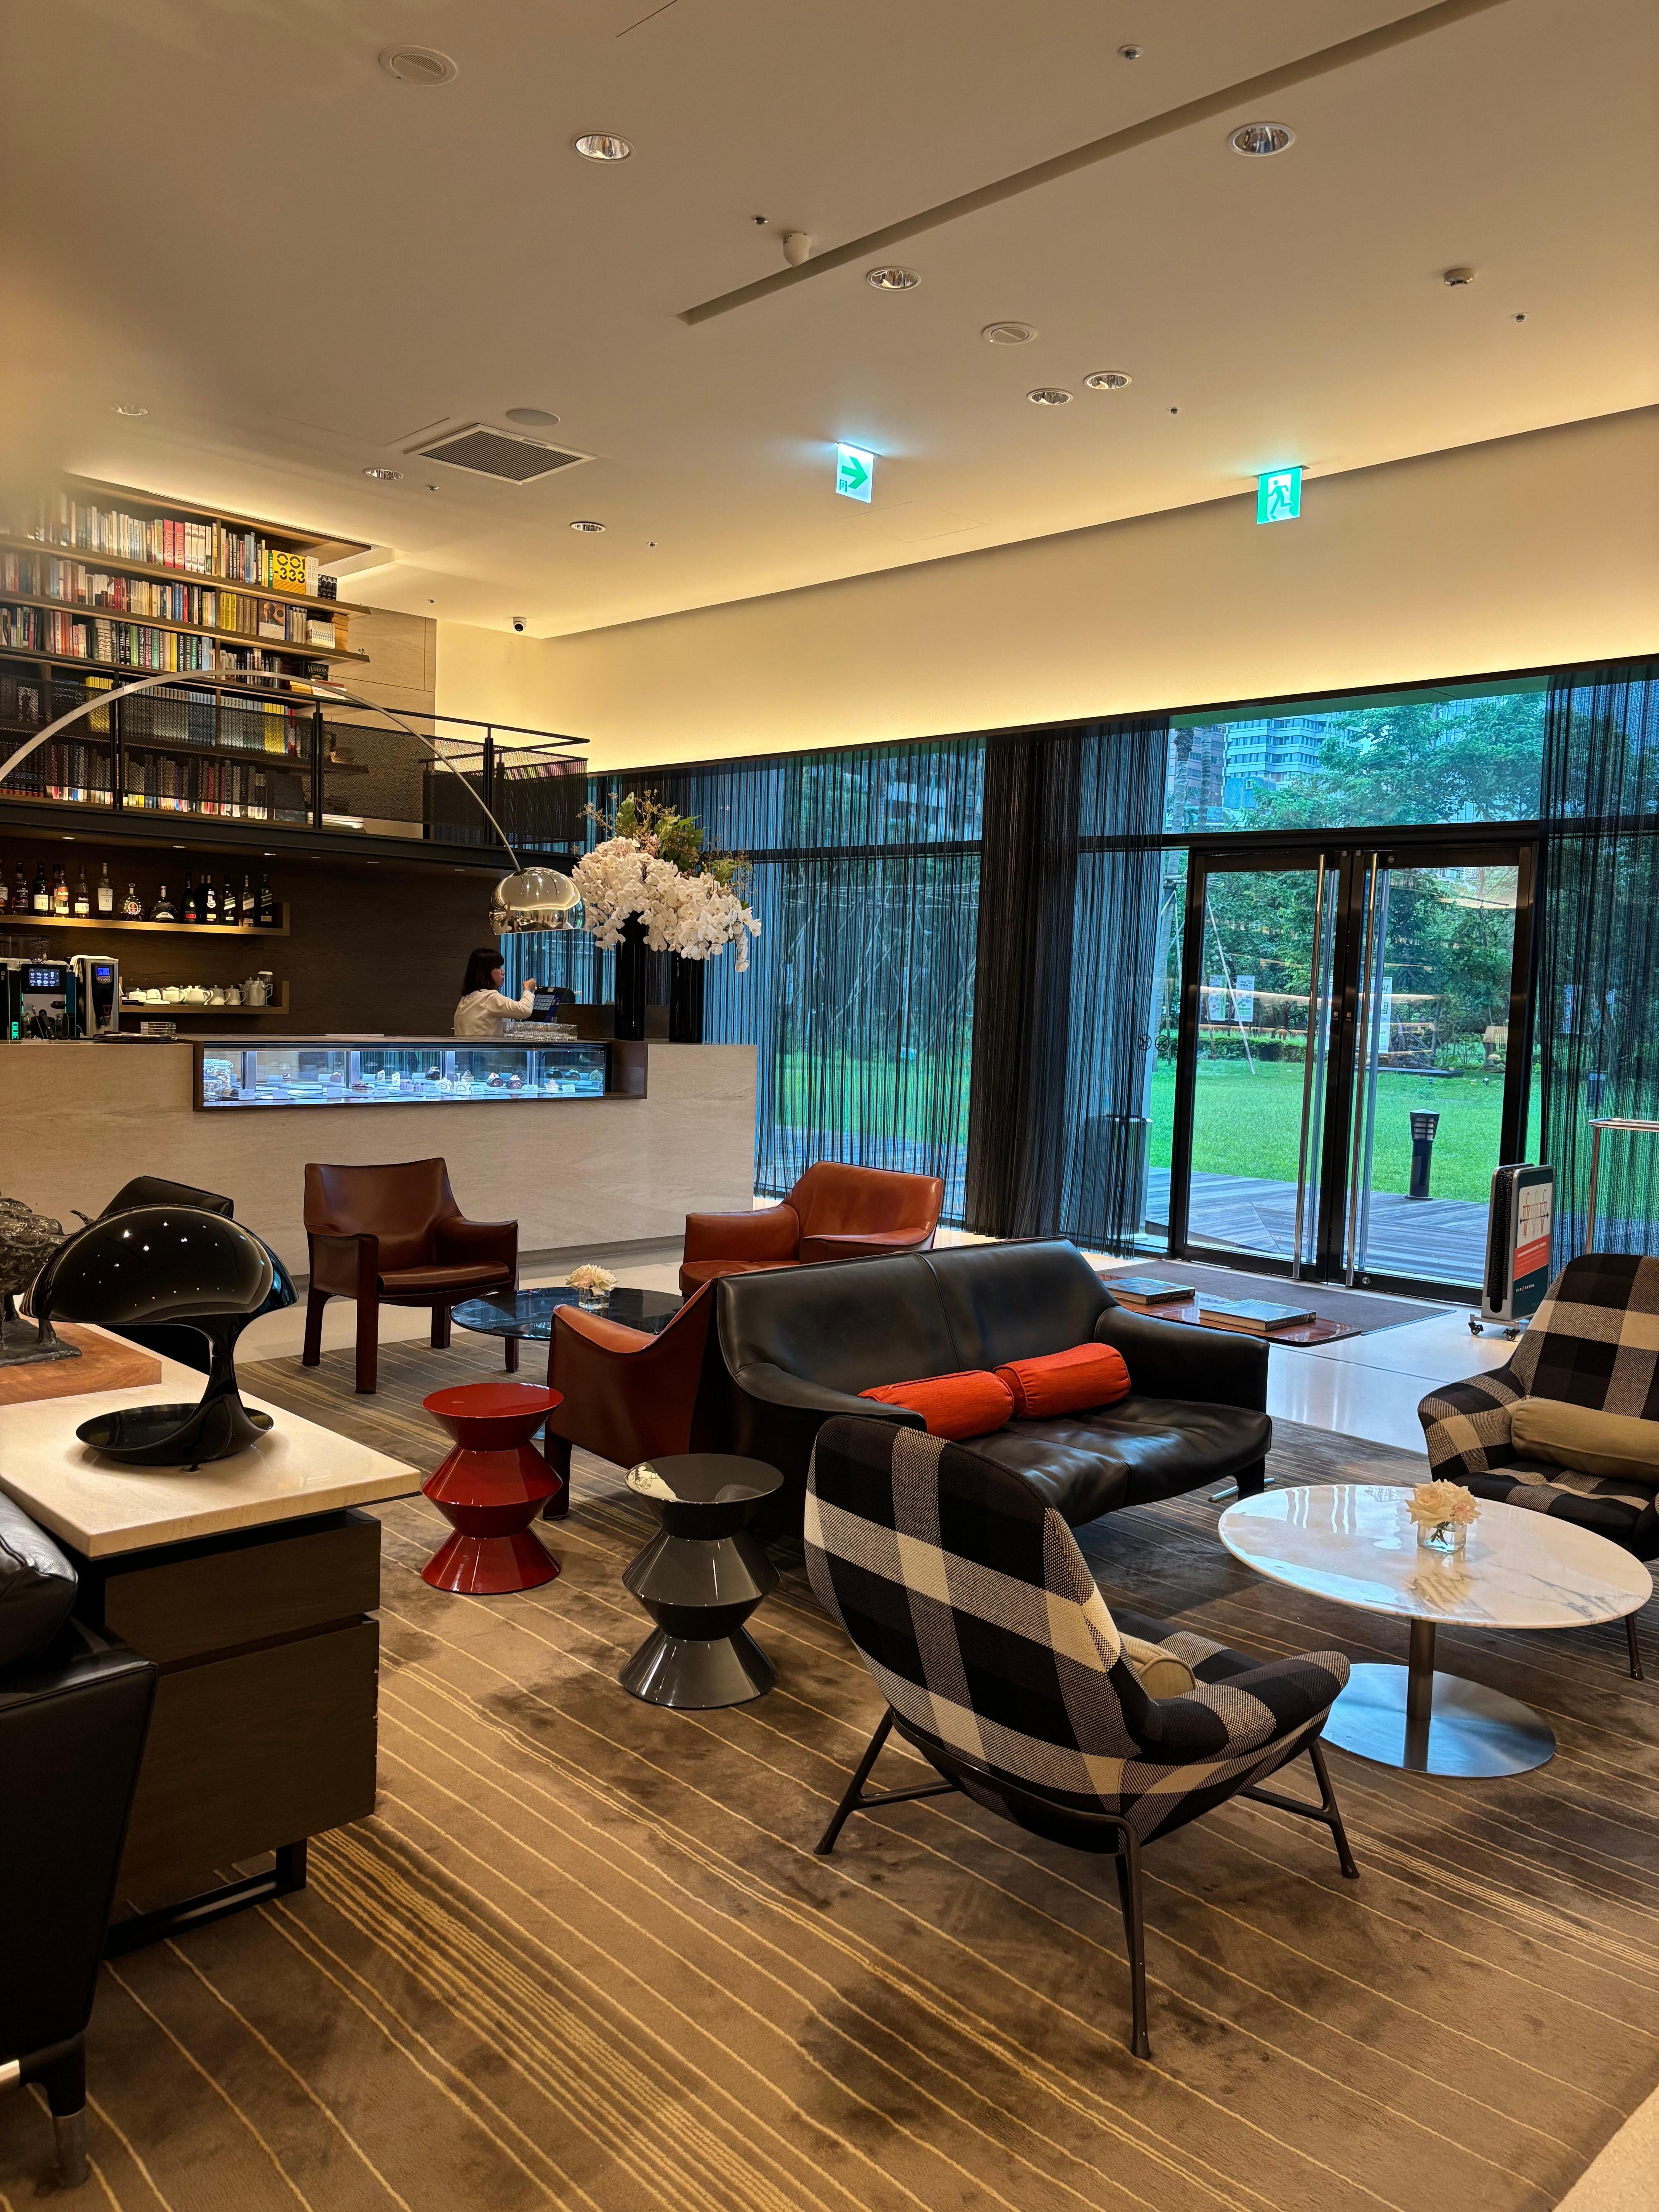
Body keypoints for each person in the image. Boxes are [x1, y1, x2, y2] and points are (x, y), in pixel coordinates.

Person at [454, 947, 539, 1039]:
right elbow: (525, 1010)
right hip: (486, 1048)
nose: (503, 972)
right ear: (486, 972)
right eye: (499, 968)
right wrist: (528, 990)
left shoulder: (467, 998)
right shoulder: (490, 997)